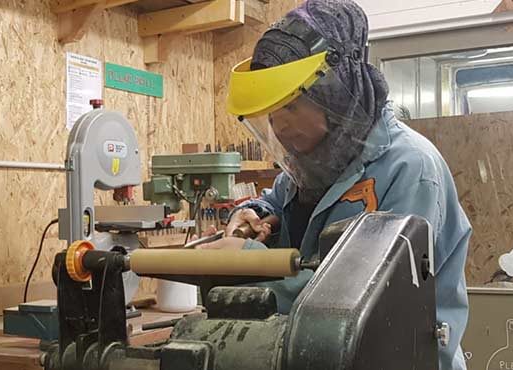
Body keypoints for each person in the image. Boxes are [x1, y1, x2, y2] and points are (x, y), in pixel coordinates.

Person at [199, 0, 472, 369]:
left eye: (291, 107)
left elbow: (365, 300)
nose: (279, 127)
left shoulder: (410, 169)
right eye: (272, 114)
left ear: (336, 93)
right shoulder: (312, 163)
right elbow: (277, 200)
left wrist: (248, 264)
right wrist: (256, 213)